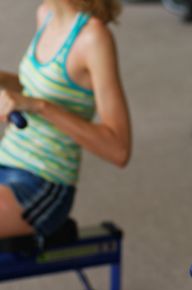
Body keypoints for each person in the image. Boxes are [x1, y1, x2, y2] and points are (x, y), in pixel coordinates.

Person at [0, 0, 130, 238]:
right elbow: (39, 86)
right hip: (6, 160)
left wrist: (38, 106)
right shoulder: (46, 13)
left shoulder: (93, 38)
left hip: (42, 183)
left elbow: (118, 149)